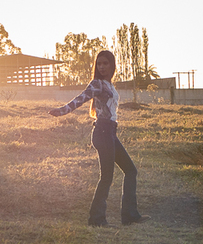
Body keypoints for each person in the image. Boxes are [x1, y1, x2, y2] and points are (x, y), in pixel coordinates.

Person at [49, 50, 149, 227]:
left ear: (112, 65)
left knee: (130, 171)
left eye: (105, 63)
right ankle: (97, 219)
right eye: (99, 64)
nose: (102, 67)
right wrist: (62, 110)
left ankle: (129, 215)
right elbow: (81, 98)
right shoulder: (97, 84)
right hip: (102, 132)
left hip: (110, 132)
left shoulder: (108, 85)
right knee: (107, 177)